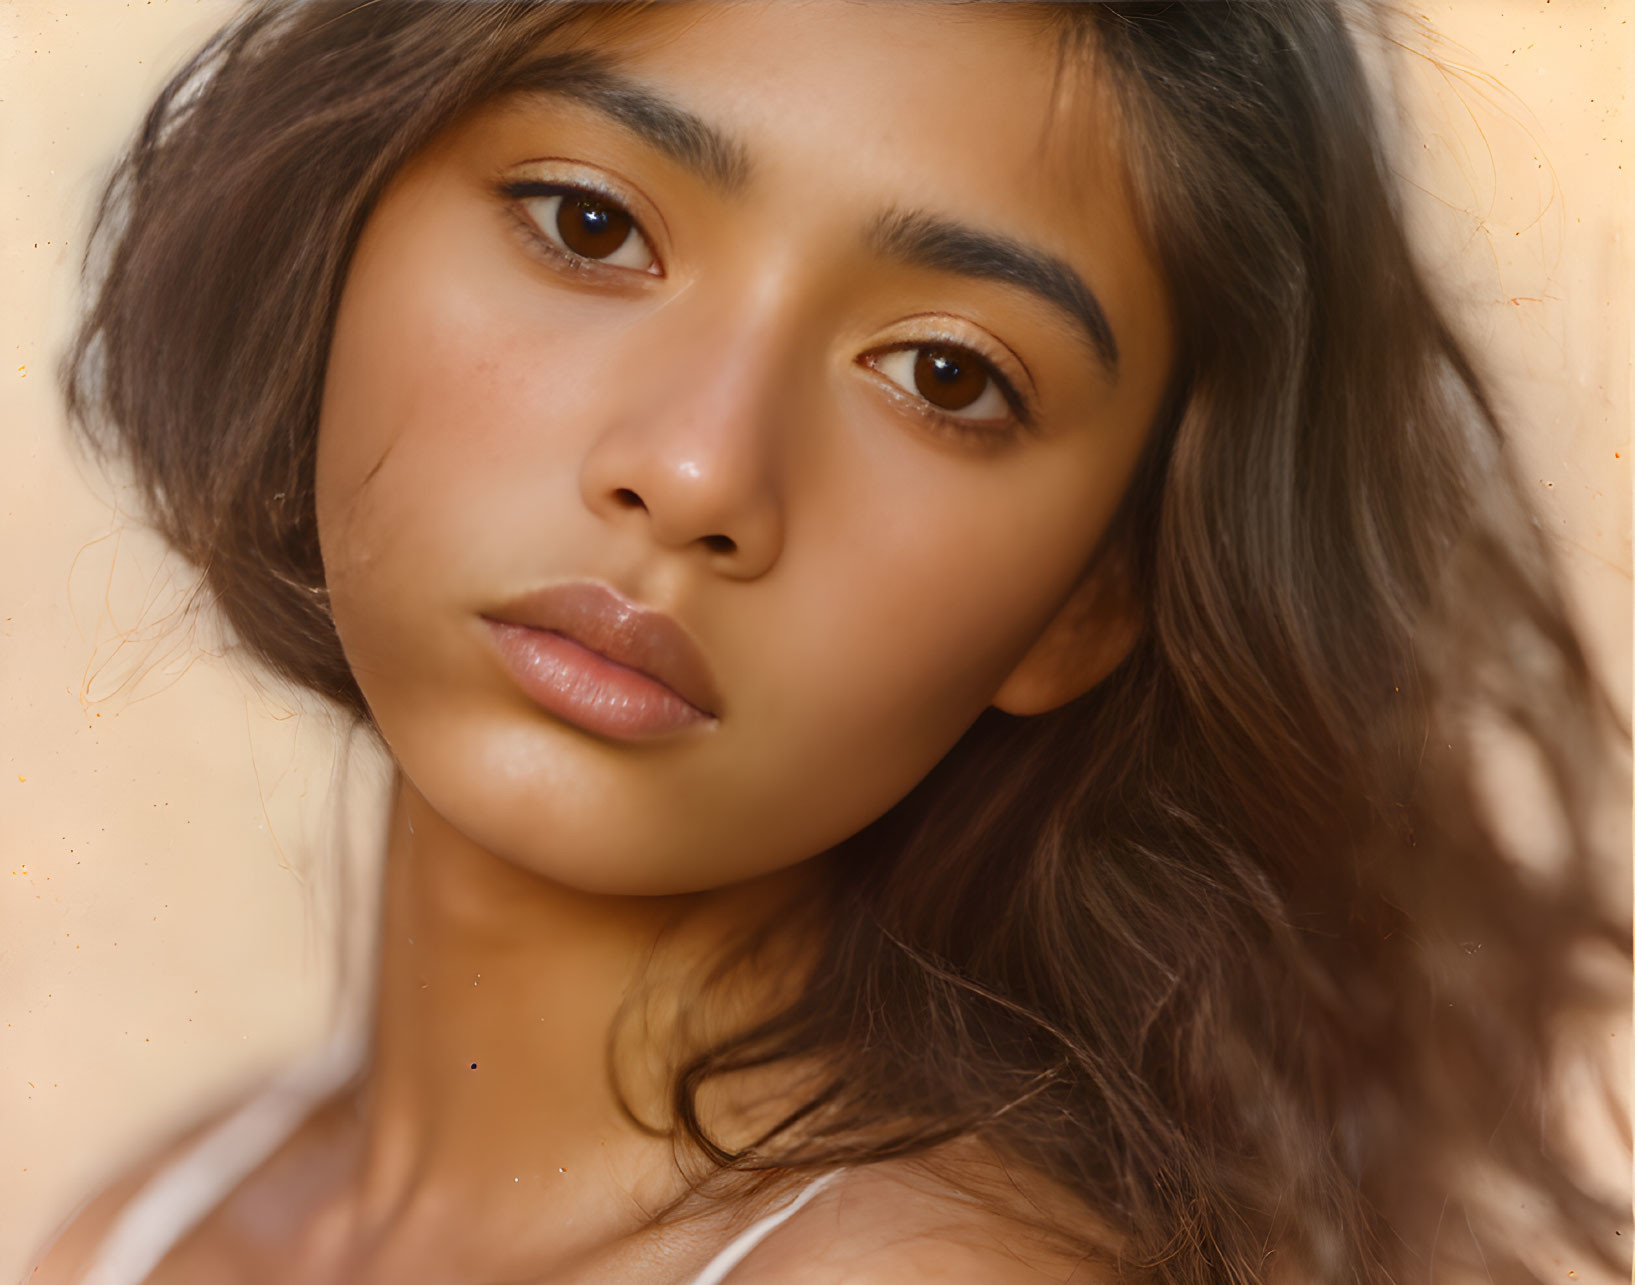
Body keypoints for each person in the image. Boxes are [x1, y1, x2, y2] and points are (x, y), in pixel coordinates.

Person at [26, 1, 1629, 1281]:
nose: (702, 469)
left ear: (1093, 595)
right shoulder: (165, 1220)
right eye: (590, 225)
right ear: (335, 231)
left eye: (943, 377)